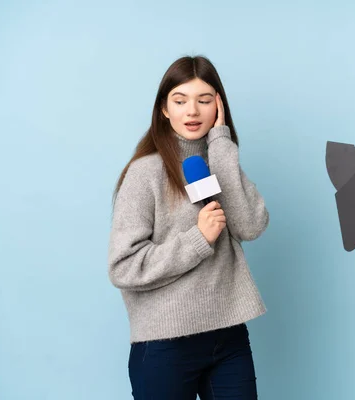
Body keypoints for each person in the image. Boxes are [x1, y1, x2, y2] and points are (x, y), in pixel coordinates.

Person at [107, 55, 269, 399]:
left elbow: (250, 226)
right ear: (164, 109)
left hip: (228, 336)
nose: (192, 111)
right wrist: (197, 240)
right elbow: (123, 267)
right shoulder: (145, 173)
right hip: (166, 343)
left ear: (218, 108)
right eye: (180, 101)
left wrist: (222, 147)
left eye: (204, 100)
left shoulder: (219, 162)